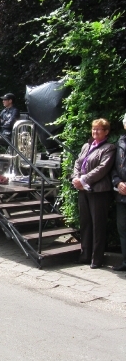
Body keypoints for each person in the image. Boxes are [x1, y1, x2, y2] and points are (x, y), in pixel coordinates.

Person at [72, 118, 116, 269]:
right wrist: (76, 178)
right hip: (83, 190)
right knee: (85, 223)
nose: (95, 131)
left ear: (106, 132)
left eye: (98, 129)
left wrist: (83, 179)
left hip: (98, 191)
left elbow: (102, 169)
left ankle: (97, 259)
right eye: (93, 128)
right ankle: (85, 255)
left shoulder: (109, 148)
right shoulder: (86, 145)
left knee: (98, 225)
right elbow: (78, 162)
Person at [111, 113, 126, 272]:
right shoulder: (120, 142)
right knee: (123, 229)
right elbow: (115, 168)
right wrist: (118, 182)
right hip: (121, 195)